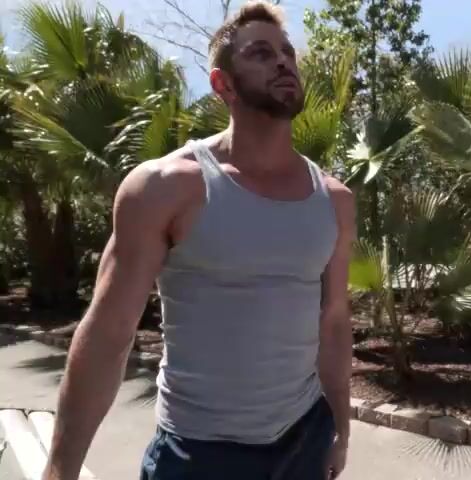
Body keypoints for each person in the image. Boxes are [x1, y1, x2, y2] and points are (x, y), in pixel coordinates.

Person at [40, 2, 355, 479]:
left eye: (287, 52)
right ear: (222, 84)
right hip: (198, 453)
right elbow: (109, 332)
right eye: (261, 53)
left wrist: (341, 428)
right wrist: (60, 469)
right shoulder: (167, 187)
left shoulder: (333, 200)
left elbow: (333, 322)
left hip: (304, 439)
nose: (283, 62)